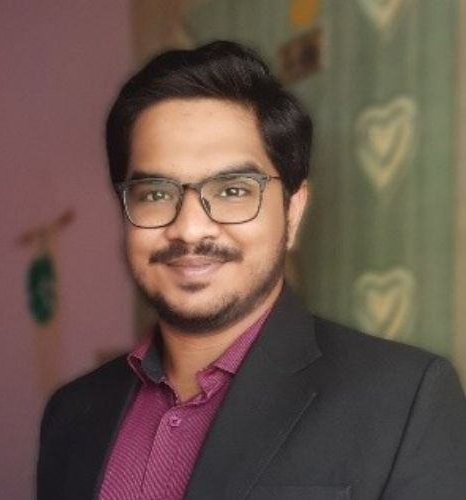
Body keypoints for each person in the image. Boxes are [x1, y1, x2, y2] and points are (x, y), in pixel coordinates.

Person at [36, 41, 466, 500]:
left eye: (233, 190)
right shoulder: (72, 414)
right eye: (156, 194)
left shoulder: (404, 399)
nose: (190, 229)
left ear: (292, 212)